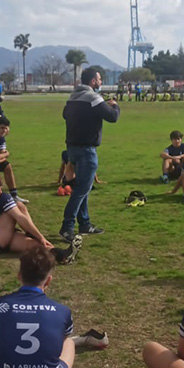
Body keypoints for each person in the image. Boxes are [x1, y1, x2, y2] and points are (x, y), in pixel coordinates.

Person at [60, 68, 119, 241]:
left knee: (82, 188)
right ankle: (67, 227)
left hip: (72, 148)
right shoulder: (93, 97)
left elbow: (65, 115)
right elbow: (112, 117)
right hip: (87, 150)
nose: (101, 82)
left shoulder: (72, 97)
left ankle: (84, 224)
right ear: (93, 81)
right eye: (99, 79)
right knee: (81, 190)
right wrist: (115, 105)